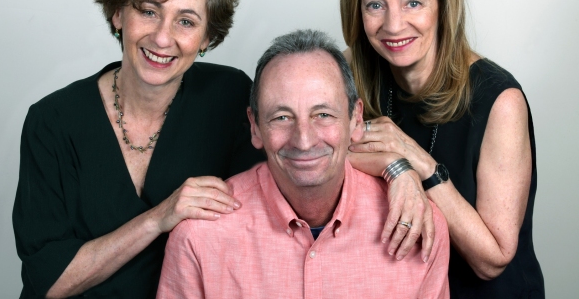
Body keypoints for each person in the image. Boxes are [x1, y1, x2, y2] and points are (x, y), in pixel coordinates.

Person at [12, 0, 266, 298]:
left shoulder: (230, 98)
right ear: (118, 14)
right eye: (149, 11)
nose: (162, 38)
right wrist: (159, 218)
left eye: (186, 21)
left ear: (207, 38)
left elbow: (260, 220)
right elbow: (49, 280)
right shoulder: (52, 121)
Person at [157, 30, 450, 299]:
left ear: (356, 119)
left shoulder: (420, 226)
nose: (304, 140)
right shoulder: (199, 238)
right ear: (255, 127)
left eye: (323, 114)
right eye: (282, 117)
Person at [340, 0, 544, 298]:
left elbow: (493, 258)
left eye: (412, 2)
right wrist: (395, 169)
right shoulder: (350, 71)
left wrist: (418, 162)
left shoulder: (500, 100)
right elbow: (314, 152)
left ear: (443, 6)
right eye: (375, 5)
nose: (393, 24)